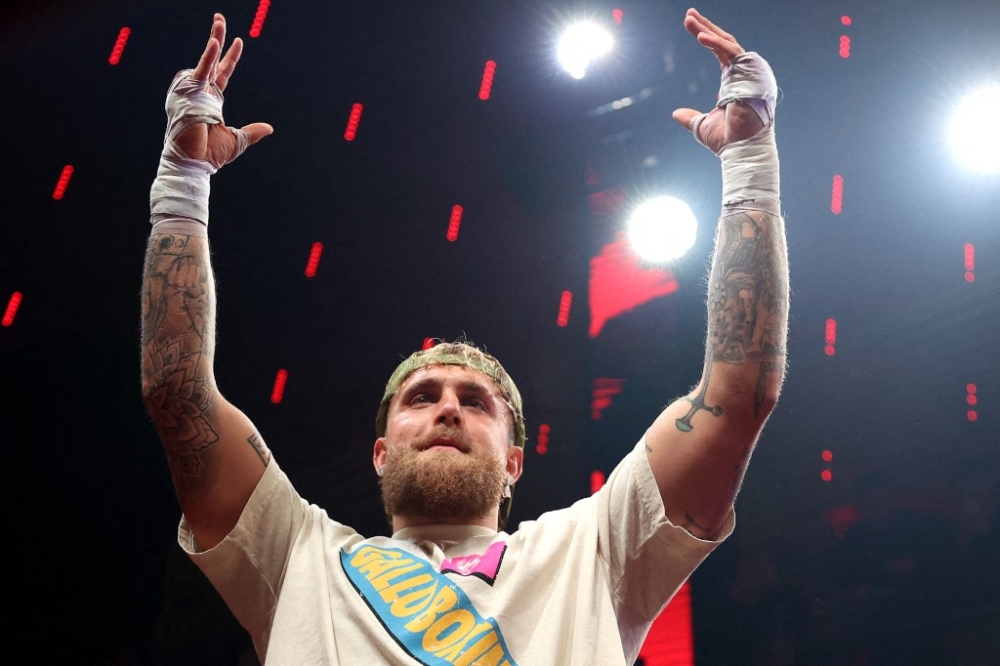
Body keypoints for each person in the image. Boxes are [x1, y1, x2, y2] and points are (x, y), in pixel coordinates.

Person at [140, 8, 788, 665]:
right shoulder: (296, 553)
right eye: (422, 397)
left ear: (514, 464)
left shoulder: (593, 550)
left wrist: (750, 162)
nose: (448, 408)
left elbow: (737, 397)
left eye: (475, 402)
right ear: (380, 453)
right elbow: (177, 394)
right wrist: (181, 180)